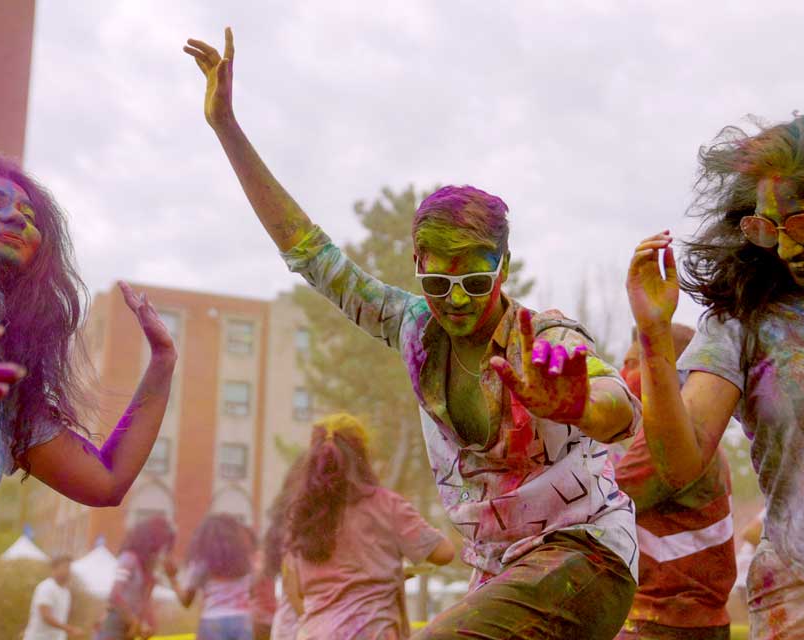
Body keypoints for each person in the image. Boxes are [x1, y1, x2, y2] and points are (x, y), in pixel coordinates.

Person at [183, 27, 642, 639]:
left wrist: (581, 402)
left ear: (502, 270)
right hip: (497, 571)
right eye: (438, 283)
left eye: (475, 284)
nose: (455, 302)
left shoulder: (542, 335)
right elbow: (311, 255)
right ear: (417, 267)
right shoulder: (411, 328)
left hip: (584, 555)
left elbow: (621, 410)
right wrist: (228, 130)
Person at [0, 157, 177, 638]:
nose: (16, 217)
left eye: (28, 215)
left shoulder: (4, 390)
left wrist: (161, 364)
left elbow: (105, 482)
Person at [626, 111, 804, 639]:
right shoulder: (744, 321)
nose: (785, 249)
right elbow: (679, 462)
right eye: (768, 228)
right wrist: (653, 334)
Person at [280, 414, 454, 640]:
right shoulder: (386, 505)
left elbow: (295, 590)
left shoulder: (303, 515)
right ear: (362, 456)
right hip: (371, 632)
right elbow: (444, 553)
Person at [614, 324, 736, 640]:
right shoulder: (699, 438)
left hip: (665, 621)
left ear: (666, 374)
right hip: (687, 620)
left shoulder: (668, 441)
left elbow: (603, 508)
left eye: (631, 363)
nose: (620, 373)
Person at [166, 514, 258, 640]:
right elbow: (252, 591)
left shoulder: (202, 562)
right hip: (242, 621)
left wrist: (172, 578)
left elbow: (186, 601)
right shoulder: (245, 562)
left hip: (212, 620)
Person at [96, 516, 174, 640]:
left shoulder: (148, 569)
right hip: (115, 623)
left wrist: (151, 622)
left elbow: (145, 601)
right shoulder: (128, 559)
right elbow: (115, 595)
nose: (160, 550)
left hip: (131, 627)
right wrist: (133, 620)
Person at [259, 455, 307, 640]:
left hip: (291, 625)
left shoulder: (289, 518)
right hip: (300, 629)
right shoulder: (296, 519)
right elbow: (291, 584)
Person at [24, 555, 85, 640]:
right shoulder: (46, 587)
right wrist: (70, 629)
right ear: (54, 569)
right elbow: (46, 616)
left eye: (69, 568)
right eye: (65, 567)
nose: (68, 571)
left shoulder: (66, 592)